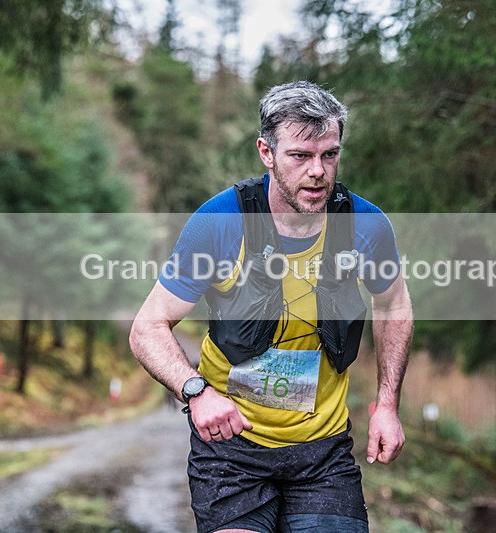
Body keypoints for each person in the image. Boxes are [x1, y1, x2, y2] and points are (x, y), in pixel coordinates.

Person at [129, 80, 413, 533]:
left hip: (323, 451)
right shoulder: (220, 222)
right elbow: (147, 327)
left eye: (330, 154)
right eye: (300, 156)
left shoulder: (365, 225)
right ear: (266, 152)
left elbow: (394, 305)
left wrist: (387, 404)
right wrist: (196, 392)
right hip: (230, 450)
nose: (318, 171)